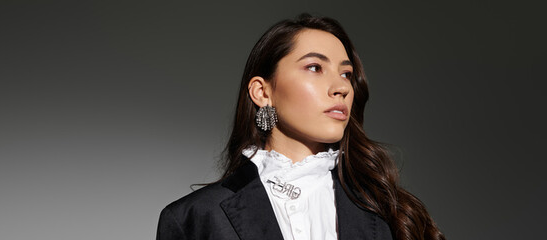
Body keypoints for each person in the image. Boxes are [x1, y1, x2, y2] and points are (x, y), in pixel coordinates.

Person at [156, 13, 445, 240]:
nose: (342, 87)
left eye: (346, 73)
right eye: (315, 67)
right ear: (262, 92)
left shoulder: (390, 211)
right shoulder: (194, 218)